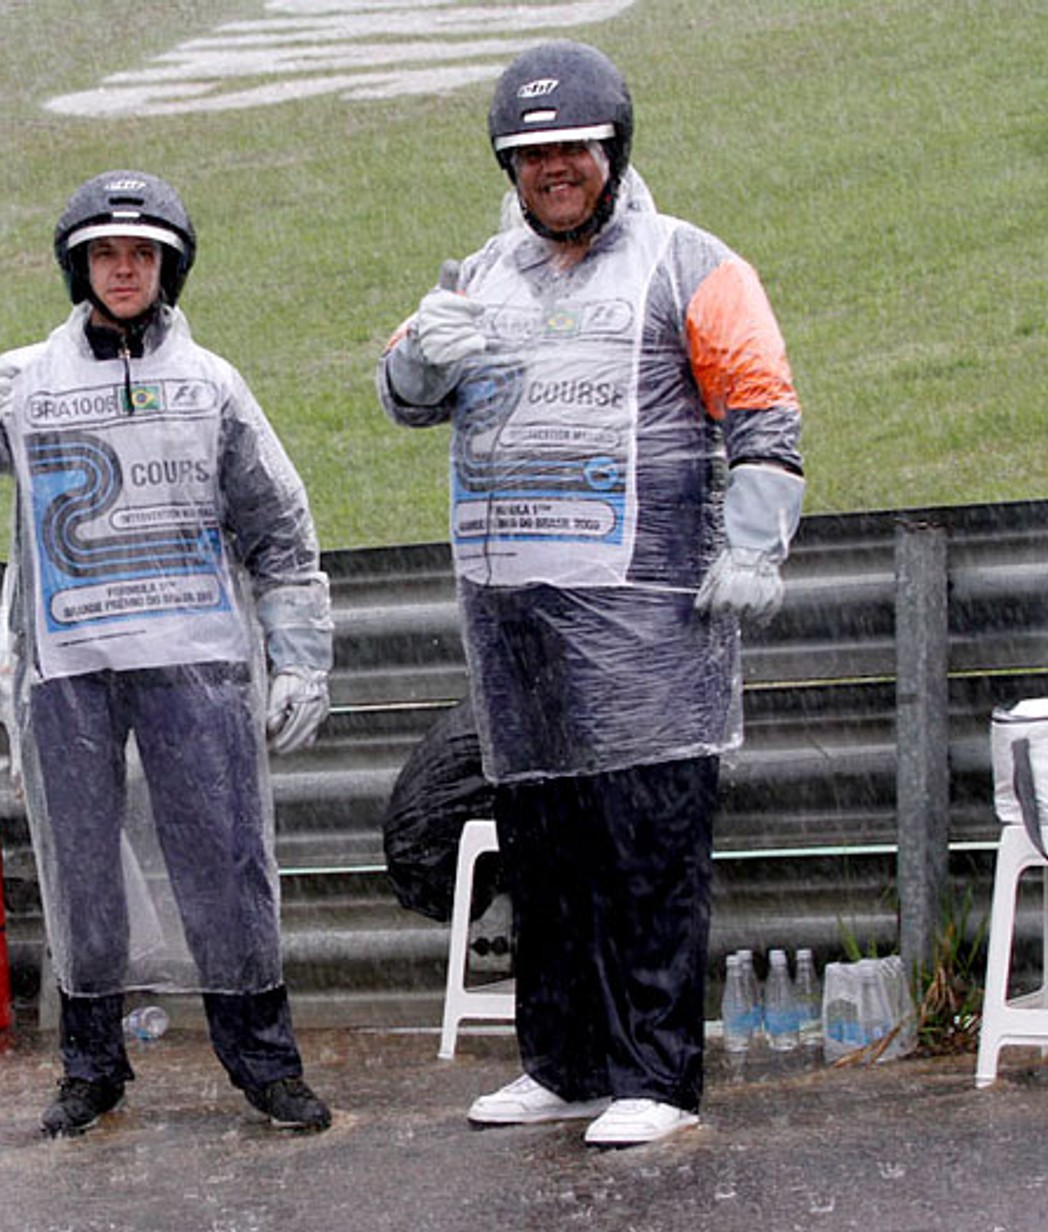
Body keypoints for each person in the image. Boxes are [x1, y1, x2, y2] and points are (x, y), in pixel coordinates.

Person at [376, 42, 806, 1148]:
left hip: (648, 628)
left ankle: (654, 1075)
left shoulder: (689, 263)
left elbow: (759, 406)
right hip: (515, 630)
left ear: (610, 149)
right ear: (505, 167)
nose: (551, 169)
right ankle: (560, 1062)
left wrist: (753, 543)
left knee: (644, 857)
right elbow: (400, 394)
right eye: (529, 155)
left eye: (570, 147)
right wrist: (423, 356)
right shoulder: (474, 276)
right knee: (545, 858)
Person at [0, 170, 335, 1137]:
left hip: (199, 663)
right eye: (106, 254)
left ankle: (263, 1065)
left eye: (141, 254)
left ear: (169, 266)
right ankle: (91, 1068)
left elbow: (279, 528)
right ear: (79, 269)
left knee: (227, 867)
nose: (125, 269)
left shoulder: (213, 383)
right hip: (68, 675)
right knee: (81, 872)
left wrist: (300, 654)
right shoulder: (23, 381)